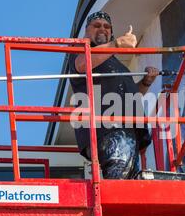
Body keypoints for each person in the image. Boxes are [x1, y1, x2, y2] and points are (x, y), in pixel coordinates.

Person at [68, 11, 159, 179]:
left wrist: (146, 82)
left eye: (106, 26)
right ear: (86, 31)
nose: (102, 29)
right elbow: (82, 64)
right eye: (96, 25)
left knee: (129, 185)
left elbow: (130, 97)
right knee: (120, 184)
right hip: (108, 130)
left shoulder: (113, 62)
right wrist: (117, 44)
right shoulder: (80, 49)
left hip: (126, 131)